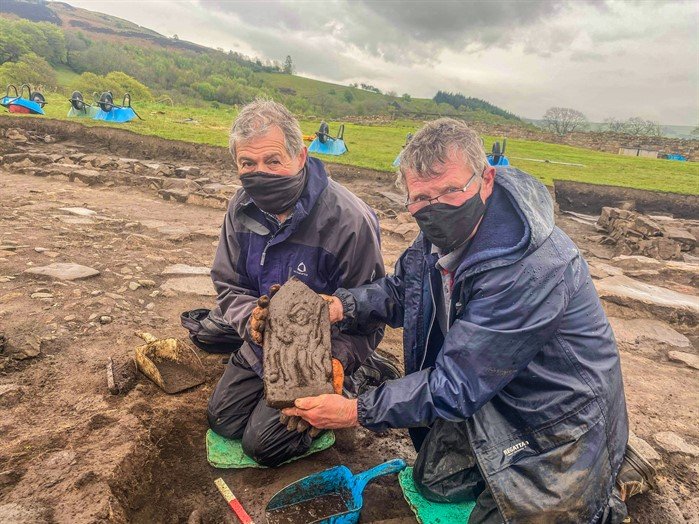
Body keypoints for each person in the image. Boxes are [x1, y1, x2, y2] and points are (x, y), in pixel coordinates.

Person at [283, 118, 654, 522]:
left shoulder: (529, 267)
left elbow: (455, 385)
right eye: (421, 198)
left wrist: (355, 410)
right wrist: (337, 306)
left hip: (556, 413)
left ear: (486, 179)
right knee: (434, 481)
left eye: (451, 191)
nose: (435, 207)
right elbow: (399, 292)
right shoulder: (436, 241)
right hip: (492, 394)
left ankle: (605, 469)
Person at [207, 99, 398, 467]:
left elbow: (371, 312)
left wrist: (337, 360)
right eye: (248, 163)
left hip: (323, 352)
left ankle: (359, 375)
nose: (259, 172)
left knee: (261, 445)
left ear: (300, 156)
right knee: (223, 420)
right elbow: (228, 282)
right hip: (263, 346)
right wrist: (252, 320)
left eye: (272, 160)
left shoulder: (349, 220)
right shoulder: (240, 207)